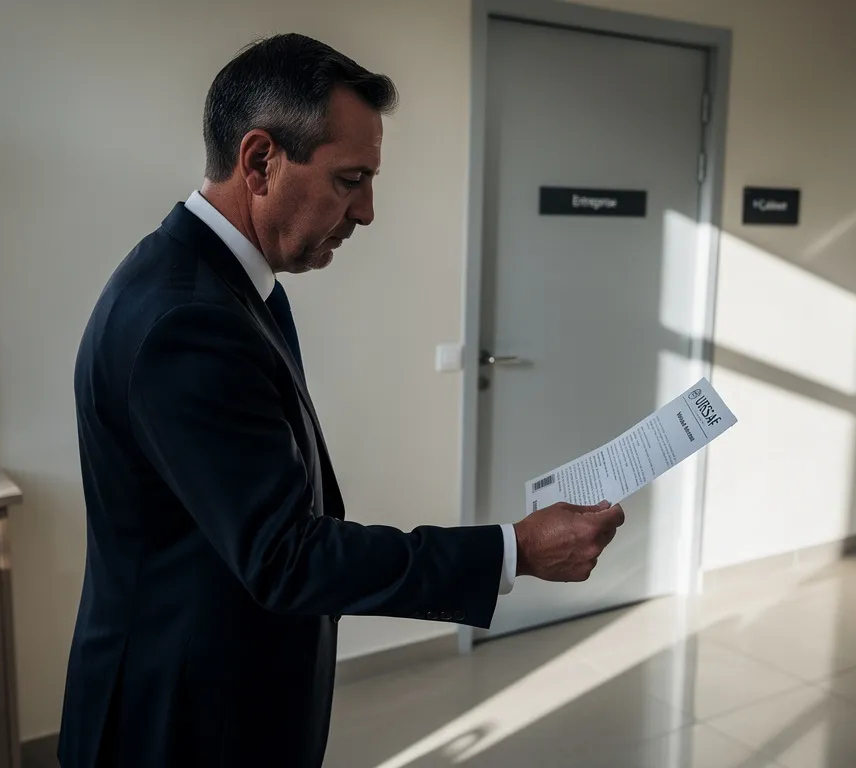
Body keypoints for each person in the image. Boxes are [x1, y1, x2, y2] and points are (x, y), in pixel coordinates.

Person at [57, 33, 626, 768]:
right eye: (349, 179)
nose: (366, 212)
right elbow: (285, 556)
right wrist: (512, 551)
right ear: (260, 161)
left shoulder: (227, 285)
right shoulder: (187, 321)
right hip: (177, 723)